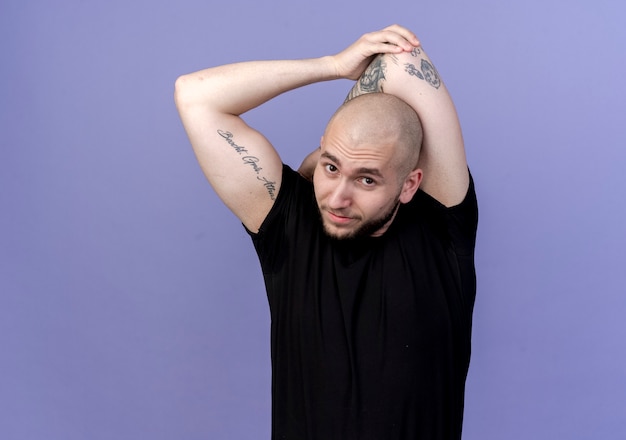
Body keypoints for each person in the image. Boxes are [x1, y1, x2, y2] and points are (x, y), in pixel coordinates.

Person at [175, 24, 478, 440]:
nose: (337, 198)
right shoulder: (287, 226)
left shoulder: (443, 233)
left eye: (367, 180)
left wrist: (338, 150)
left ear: (410, 184)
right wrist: (333, 66)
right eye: (331, 167)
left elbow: (402, 62)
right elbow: (195, 95)